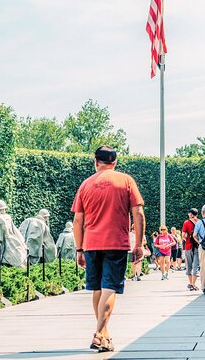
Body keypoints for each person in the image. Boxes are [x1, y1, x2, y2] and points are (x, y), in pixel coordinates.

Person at [72, 145, 145, 353]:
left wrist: (79, 248)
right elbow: (138, 213)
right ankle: (99, 333)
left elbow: (78, 220)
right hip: (116, 242)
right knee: (110, 287)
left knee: (97, 288)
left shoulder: (85, 184)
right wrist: (138, 244)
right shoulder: (126, 181)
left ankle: (104, 336)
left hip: (91, 244)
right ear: (115, 162)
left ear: (96, 161)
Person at [182, 208, 200, 291]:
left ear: (191, 214)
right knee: (195, 266)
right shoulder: (200, 222)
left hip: (188, 246)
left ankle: (190, 283)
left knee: (189, 266)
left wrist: (187, 239)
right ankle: (193, 284)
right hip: (198, 246)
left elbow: (183, 235)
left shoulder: (186, 222)